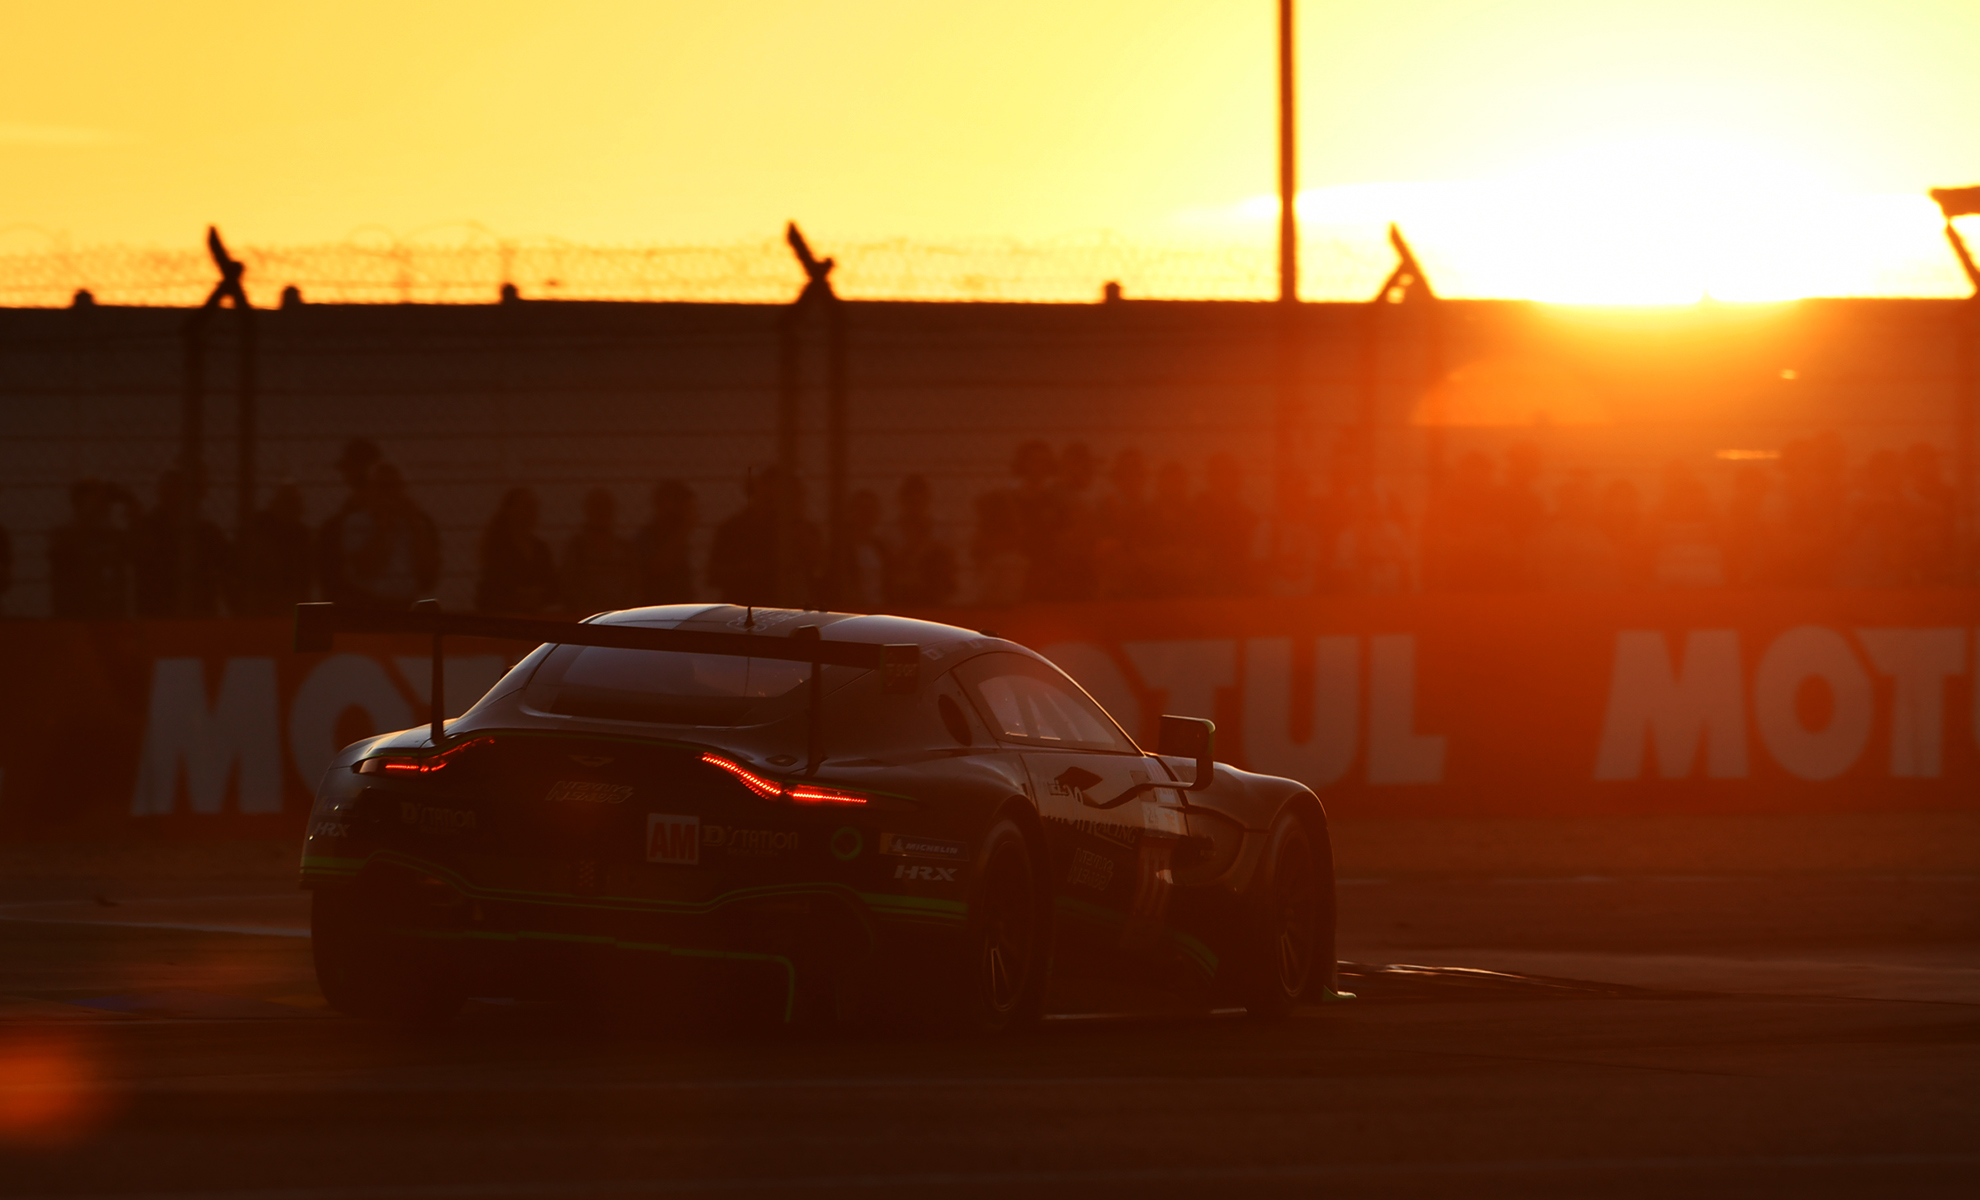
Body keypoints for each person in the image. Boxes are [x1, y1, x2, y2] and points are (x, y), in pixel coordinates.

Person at [707, 467, 817, 606]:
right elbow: (713, 575)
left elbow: (815, 565)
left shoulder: (800, 528)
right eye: (768, 495)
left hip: (789, 604)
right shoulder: (735, 528)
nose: (773, 499)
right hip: (747, 603)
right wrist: (747, 571)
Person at [334, 464, 440, 608]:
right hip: (368, 602)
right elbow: (365, 569)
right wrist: (383, 528)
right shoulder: (357, 521)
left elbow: (427, 572)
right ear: (370, 490)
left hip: (407, 602)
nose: (389, 493)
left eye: (394, 486)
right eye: (383, 487)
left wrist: (415, 527)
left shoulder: (415, 522)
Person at [131, 469, 231, 617]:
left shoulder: (207, 532)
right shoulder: (150, 529)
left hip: (198, 611)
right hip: (159, 610)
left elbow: (228, 568)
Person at [48, 478, 137, 618]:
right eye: (95, 500)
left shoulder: (114, 536)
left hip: (111, 612)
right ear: (78, 504)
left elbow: (140, 552)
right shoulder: (64, 536)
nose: (102, 506)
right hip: (75, 613)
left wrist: (131, 503)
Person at [317, 438, 383, 605]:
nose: (345, 474)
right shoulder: (343, 517)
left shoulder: (343, 521)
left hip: (360, 599)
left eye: (349, 468)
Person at [232, 483, 314, 616]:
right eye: (289, 503)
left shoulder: (300, 535)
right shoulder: (260, 530)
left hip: (282, 599)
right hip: (264, 599)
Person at [476, 486, 558, 613]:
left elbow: (551, 582)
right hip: (504, 612)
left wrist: (539, 594)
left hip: (536, 613)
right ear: (510, 511)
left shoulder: (540, 548)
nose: (532, 513)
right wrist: (518, 595)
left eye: (534, 507)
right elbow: (495, 583)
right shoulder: (498, 546)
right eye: (526, 507)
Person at [883, 474, 956, 608]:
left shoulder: (940, 530)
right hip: (900, 593)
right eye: (912, 502)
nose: (915, 507)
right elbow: (889, 567)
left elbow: (949, 563)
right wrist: (914, 544)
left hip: (933, 593)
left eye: (919, 501)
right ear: (903, 501)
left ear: (926, 500)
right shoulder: (891, 532)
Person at [562, 487, 639, 614]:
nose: (601, 512)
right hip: (586, 612)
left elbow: (635, 584)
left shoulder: (625, 548)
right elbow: (569, 583)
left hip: (619, 613)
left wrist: (626, 611)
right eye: (597, 507)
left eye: (605, 507)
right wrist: (583, 609)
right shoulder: (577, 547)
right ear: (588, 510)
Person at [634, 479, 697, 604]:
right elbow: (658, 568)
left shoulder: (675, 536)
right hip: (655, 603)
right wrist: (683, 530)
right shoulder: (647, 537)